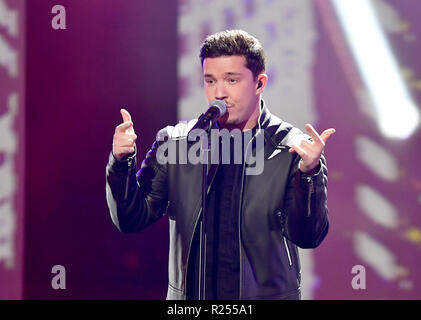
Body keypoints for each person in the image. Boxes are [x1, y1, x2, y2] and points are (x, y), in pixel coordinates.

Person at [106, 29, 335, 300]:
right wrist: (121, 163)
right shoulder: (177, 143)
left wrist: (308, 175)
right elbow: (131, 218)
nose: (219, 93)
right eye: (210, 81)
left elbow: (307, 236)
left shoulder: (293, 149)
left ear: (259, 83)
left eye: (232, 80)